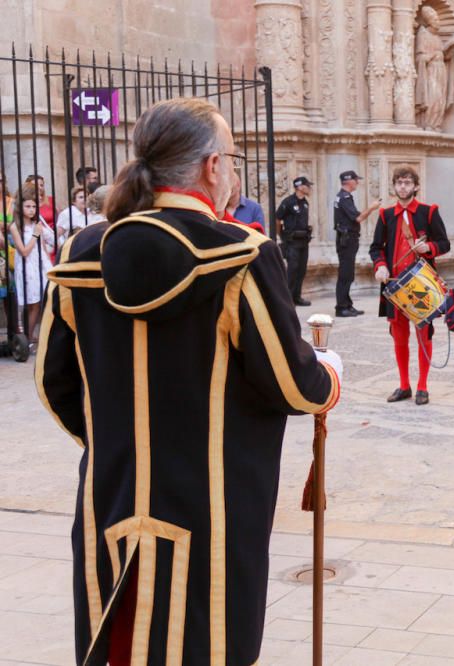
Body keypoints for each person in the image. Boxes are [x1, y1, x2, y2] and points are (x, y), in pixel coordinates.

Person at [35, 97, 344, 665]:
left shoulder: (81, 255)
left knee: (121, 647)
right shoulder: (241, 255)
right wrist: (328, 374)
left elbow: (54, 384)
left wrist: (119, 440)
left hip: (110, 496)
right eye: (232, 157)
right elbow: (293, 385)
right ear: (210, 167)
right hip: (212, 509)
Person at [370, 165, 451, 405]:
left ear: (416, 186)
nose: (403, 186)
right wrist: (380, 266)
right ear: (394, 186)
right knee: (399, 337)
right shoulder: (385, 215)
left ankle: (422, 386)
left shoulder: (429, 212)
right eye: (399, 182)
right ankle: (404, 385)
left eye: (407, 182)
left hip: (421, 285)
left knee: (423, 335)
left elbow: (444, 243)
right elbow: (376, 247)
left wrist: (429, 248)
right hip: (394, 286)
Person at [9, 185, 54, 348]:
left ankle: (33, 335)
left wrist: (49, 264)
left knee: (42, 301)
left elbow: (43, 246)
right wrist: (35, 234)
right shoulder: (15, 227)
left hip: (41, 265)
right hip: (27, 267)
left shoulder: (37, 223)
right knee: (32, 303)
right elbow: (24, 251)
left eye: (34, 206)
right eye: (28, 206)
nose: (31, 210)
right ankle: (26, 338)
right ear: (20, 207)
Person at [334, 170, 380, 317]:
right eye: (356, 180)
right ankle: (341, 307)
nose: (357, 183)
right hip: (346, 241)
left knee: (348, 274)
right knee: (345, 274)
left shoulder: (343, 197)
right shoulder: (344, 198)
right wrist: (372, 208)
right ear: (349, 181)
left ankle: (347, 304)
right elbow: (358, 218)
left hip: (347, 240)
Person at [276, 175, 314, 306]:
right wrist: (282, 236)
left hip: (304, 241)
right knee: (292, 270)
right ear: (299, 187)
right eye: (307, 186)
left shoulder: (305, 202)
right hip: (292, 241)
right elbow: (277, 218)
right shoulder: (288, 202)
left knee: (301, 270)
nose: (309, 188)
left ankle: (296, 297)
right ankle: (287, 300)